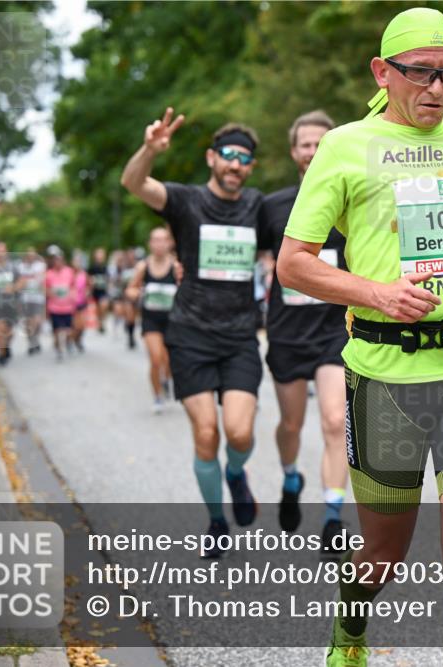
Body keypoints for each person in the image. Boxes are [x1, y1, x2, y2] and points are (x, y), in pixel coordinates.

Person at [276, 9, 443, 666]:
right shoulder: (343, 145)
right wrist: (376, 292)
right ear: (381, 72)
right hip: (384, 373)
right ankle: (351, 630)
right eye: (419, 73)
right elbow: (294, 262)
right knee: (384, 552)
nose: (436, 88)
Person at [120, 110, 270, 558]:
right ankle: (217, 521)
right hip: (191, 337)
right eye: (227, 155)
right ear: (211, 158)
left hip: (241, 336)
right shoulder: (186, 201)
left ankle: (237, 473)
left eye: (244, 159)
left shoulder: (258, 207)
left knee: (239, 434)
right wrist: (150, 149)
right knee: (207, 433)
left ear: (250, 167)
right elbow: (134, 184)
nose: (235, 165)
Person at [263, 110, 351, 550]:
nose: (313, 151)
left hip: (336, 330)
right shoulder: (274, 206)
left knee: (336, 420)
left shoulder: (352, 198)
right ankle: (290, 476)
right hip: (287, 331)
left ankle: (333, 517)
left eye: (321, 143)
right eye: (305, 145)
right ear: (294, 152)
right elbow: (255, 258)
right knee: (291, 424)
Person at [125, 226, 178, 414]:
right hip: (151, 320)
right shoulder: (143, 266)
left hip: (173, 320)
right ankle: (157, 396)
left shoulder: (176, 266)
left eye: (163, 240)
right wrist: (137, 293)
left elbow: (186, 289)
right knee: (156, 359)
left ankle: (167, 379)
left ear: (169, 243)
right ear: (150, 244)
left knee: (169, 360)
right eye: (155, 240)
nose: (159, 244)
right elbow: (130, 289)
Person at [44, 245, 77, 361]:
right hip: (54, 307)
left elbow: (73, 286)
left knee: (68, 331)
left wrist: (72, 295)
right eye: (55, 260)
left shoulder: (69, 272)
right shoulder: (48, 274)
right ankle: (59, 350)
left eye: (59, 260)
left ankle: (68, 342)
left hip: (68, 307)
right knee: (57, 331)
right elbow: (45, 289)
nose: (57, 262)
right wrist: (50, 293)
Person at [16, 247, 47, 355]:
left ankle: (36, 339)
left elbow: (44, 280)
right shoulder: (20, 267)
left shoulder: (40, 266)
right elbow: (18, 283)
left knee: (37, 321)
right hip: (25, 299)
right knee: (28, 322)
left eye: (33, 255)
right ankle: (31, 343)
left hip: (38, 298)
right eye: (29, 255)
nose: (31, 257)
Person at [87, 248, 111, 333]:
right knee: (98, 308)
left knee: (104, 305)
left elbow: (108, 279)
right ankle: (100, 322)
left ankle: (102, 321)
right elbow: (88, 278)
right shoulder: (92, 267)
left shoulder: (106, 267)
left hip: (103, 290)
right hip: (95, 291)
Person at [70, 252, 90, 353]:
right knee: (74, 325)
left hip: (82, 302)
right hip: (70, 303)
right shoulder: (69, 273)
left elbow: (89, 286)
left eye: (79, 261)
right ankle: (71, 340)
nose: (77, 263)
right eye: (75, 261)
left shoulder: (84, 274)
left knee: (82, 325)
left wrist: (88, 291)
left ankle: (78, 340)